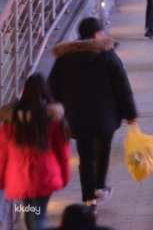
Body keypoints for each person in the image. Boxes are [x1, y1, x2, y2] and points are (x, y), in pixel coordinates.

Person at [46, 18, 137, 208]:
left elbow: (52, 88)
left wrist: (63, 107)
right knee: (103, 151)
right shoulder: (108, 56)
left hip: (77, 118)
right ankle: (100, 186)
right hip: (106, 118)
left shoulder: (64, 59)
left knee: (85, 157)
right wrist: (130, 113)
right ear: (96, 34)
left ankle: (88, 198)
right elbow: (122, 87)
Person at [0, 73, 71, 230]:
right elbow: (63, 153)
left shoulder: (9, 123)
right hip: (46, 176)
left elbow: (3, 155)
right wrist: (65, 176)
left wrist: (1, 179)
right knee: (38, 215)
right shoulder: (53, 121)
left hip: (19, 177)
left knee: (31, 213)